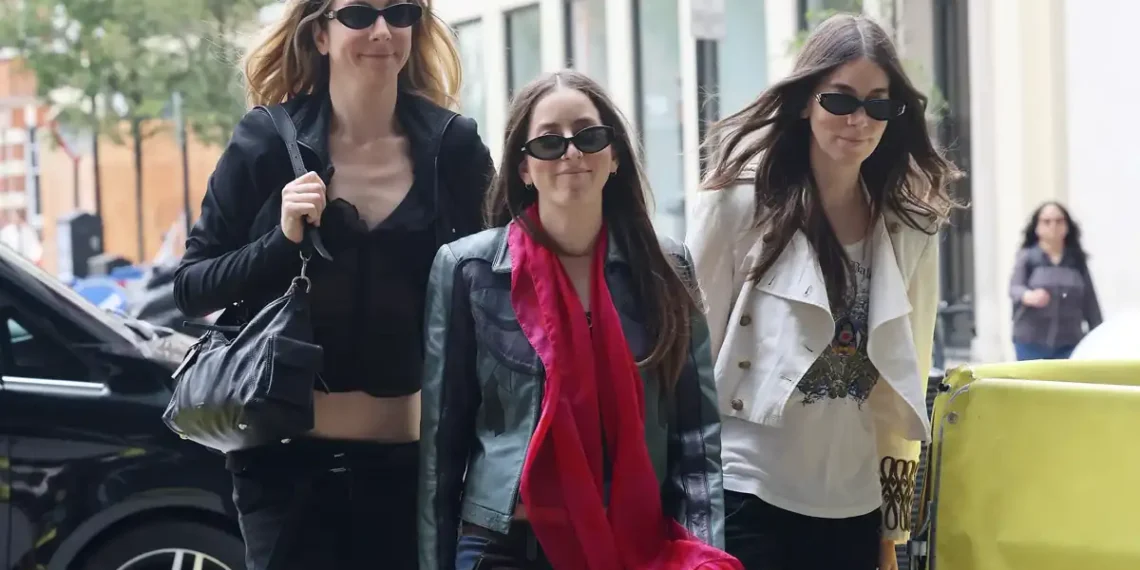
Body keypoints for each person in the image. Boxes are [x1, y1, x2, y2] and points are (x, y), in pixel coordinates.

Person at [172, 1, 494, 568]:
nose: (381, 30)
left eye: (399, 12)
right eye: (358, 14)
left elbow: (506, 280)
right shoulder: (267, 141)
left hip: (415, 472)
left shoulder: (454, 148)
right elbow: (193, 286)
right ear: (320, 36)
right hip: (286, 472)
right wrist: (280, 240)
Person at [418, 70, 741, 570]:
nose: (571, 153)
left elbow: (696, 440)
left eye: (589, 137)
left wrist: (707, 555)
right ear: (523, 167)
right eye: (549, 142)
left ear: (613, 156)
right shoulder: (467, 270)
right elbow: (443, 449)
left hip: (634, 544)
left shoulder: (666, 268)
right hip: (505, 548)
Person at [686, 14, 960, 570]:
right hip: (747, 490)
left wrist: (892, 527)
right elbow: (686, 358)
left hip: (854, 503)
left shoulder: (910, 230)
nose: (859, 119)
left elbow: (904, 385)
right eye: (840, 100)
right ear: (807, 100)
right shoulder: (738, 208)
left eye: (878, 104)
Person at [1009, 201, 1102, 360]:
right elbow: (1015, 288)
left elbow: (1090, 302)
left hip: (1070, 344)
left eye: (1059, 221)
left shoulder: (1076, 261)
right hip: (1031, 343)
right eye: (1047, 221)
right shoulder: (1028, 257)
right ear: (1037, 227)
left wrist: (1099, 334)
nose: (1053, 226)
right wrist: (1029, 296)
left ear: (1067, 226)